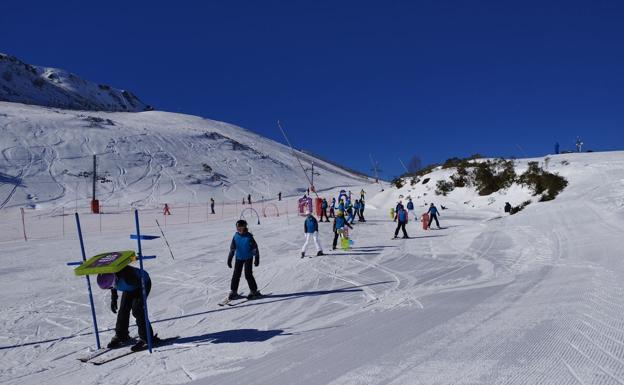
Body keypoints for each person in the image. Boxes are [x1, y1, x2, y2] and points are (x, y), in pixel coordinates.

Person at [97, 265, 159, 351]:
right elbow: (112, 286)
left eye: (111, 286)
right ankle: (121, 335)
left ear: (115, 279)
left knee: (137, 310)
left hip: (141, 284)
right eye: (109, 288)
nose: (111, 288)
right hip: (129, 286)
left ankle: (146, 337)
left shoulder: (128, 277)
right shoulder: (112, 278)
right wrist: (114, 299)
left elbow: (137, 289)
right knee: (123, 310)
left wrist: (137, 302)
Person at [227, 220, 261, 300]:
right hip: (239, 257)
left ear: (245, 227)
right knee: (236, 275)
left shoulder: (249, 237)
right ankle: (233, 291)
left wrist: (257, 258)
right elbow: (232, 248)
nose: (239, 230)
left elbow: (255, 248)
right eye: (238, 228)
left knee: (248, 274)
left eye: (241, 228)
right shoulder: (235, 236)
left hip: (248, 258)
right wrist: (230, 257)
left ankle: (254, 291)